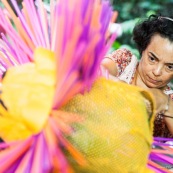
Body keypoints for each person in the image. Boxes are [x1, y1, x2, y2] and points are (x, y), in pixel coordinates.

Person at [101, 14, 173, 138]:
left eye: (170, 67)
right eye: (152, 59)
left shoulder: (170, 99)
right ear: (143, 48)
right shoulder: (124, 61)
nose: (157, 71)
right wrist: (120, 86)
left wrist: (166, 105)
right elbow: (94, 72)